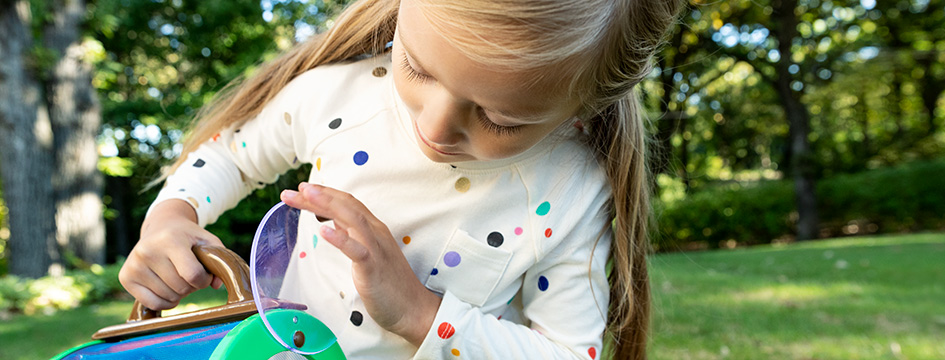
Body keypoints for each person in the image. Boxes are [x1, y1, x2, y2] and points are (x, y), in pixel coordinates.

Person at [118, 0, 682, 358]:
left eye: (500, 120)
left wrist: (419, 313)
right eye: (416, 67)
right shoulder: (341, 95)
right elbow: (232, 155)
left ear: (583, 109)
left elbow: (566, 353)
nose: (435, 127)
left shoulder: (570, 190)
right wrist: (172, 215)